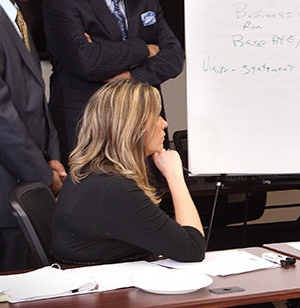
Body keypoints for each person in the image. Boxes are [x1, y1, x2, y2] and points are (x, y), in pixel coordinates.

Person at [43, 0, 184, 160]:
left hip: (142, 131)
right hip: (88, 130)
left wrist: (131, 77)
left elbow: (174, 56)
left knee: (145, 197)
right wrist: (145, 49)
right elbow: (87, 61)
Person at [0, 0, 66, 272]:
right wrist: (42, 172)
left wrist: (53, 158)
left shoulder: (13, 15)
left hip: (24, 181)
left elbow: (33, 99)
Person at [52, 79, 205, 264]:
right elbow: (192, 249)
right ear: (134, 127)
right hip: (104, 288)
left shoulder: (91, 174)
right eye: (156, 116)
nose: (164, 123)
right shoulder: (113, 189)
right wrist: (175, 176)